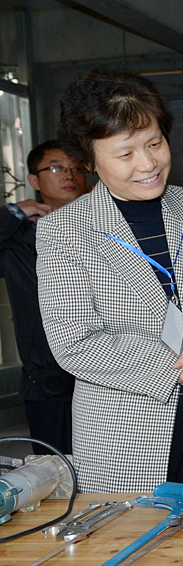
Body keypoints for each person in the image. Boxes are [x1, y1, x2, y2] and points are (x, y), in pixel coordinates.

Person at [36, 67, 183, 493]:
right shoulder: (65, 231)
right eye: (125, 154)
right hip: (127, 434)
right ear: (88, 160)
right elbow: (74, 342)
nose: (148, 163)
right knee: (139, 536)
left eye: (155, 143)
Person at [0, 140, 85, 455]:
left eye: (77, 168)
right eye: (57, 168)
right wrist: (14, 212)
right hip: (49, 382)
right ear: (34, 180)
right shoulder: (17, 239)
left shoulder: (103, 226)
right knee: (56, 472)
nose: (69, 174)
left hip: (107, 376)